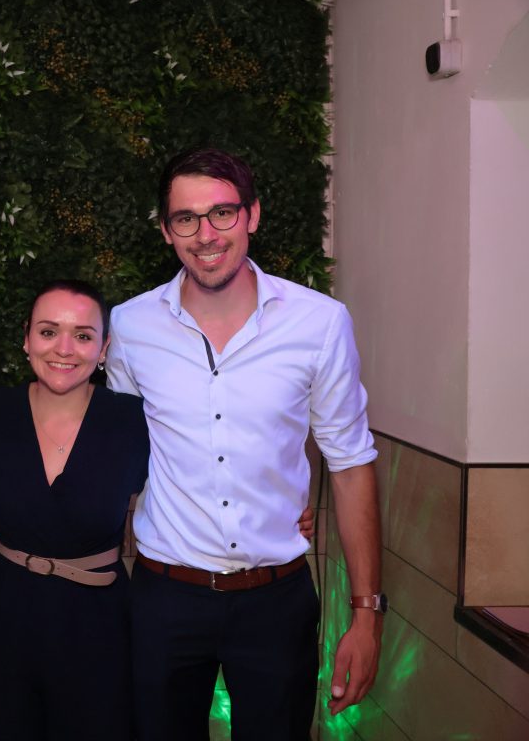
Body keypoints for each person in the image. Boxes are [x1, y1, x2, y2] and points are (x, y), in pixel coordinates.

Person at [106, 147, 383, 740]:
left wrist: (367, 614)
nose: (206, 234)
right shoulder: (130, 326)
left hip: (275, 602)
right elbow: (119, 453)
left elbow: (351, 463)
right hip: (164, 599)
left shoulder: (319, 323)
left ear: (252, 215)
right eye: (186, 218)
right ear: (166, 230)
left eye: (222, 213)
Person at [0, 280, 149, 740]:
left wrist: (283, 512)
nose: (64, 349)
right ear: (26, 339)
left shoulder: (133, 420)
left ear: (103, 348)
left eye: (83, 336)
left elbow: (194, 485)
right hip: (0, 613)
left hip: (97, 625)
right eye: (48, 332)